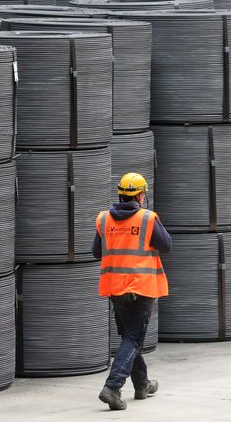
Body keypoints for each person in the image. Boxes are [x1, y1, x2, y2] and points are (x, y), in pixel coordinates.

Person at [93, 172, 172, 411]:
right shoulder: (147, 218)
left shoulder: (104, 219)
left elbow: (96, 252)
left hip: (116, 289)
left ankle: (142, 385)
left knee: (130, 336)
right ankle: (112, 387)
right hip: (140, 288)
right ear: (139, 196)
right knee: (133, 338)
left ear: (120, 194)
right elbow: (166, 245)